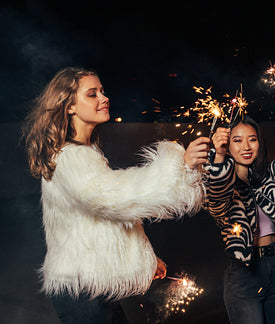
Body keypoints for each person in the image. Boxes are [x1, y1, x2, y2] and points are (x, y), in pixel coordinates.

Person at [22, 67, 209, 323]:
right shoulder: (70, 158)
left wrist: (145, 258)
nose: (104, 98)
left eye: (102, 91)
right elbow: (117, 197)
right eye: (92, 94)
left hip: (92, 284)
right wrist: (180, 166)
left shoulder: (85, 153)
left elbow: (104, 219)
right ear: (69, 107)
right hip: (82, 291)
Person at [206, 91, 275, 324]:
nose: (246, 146)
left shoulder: (270, 178)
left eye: (252, 138)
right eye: (237, 140)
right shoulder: (220, 185)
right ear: (227, 146)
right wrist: (217, 155)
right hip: (243, 273)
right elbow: (217, 196)